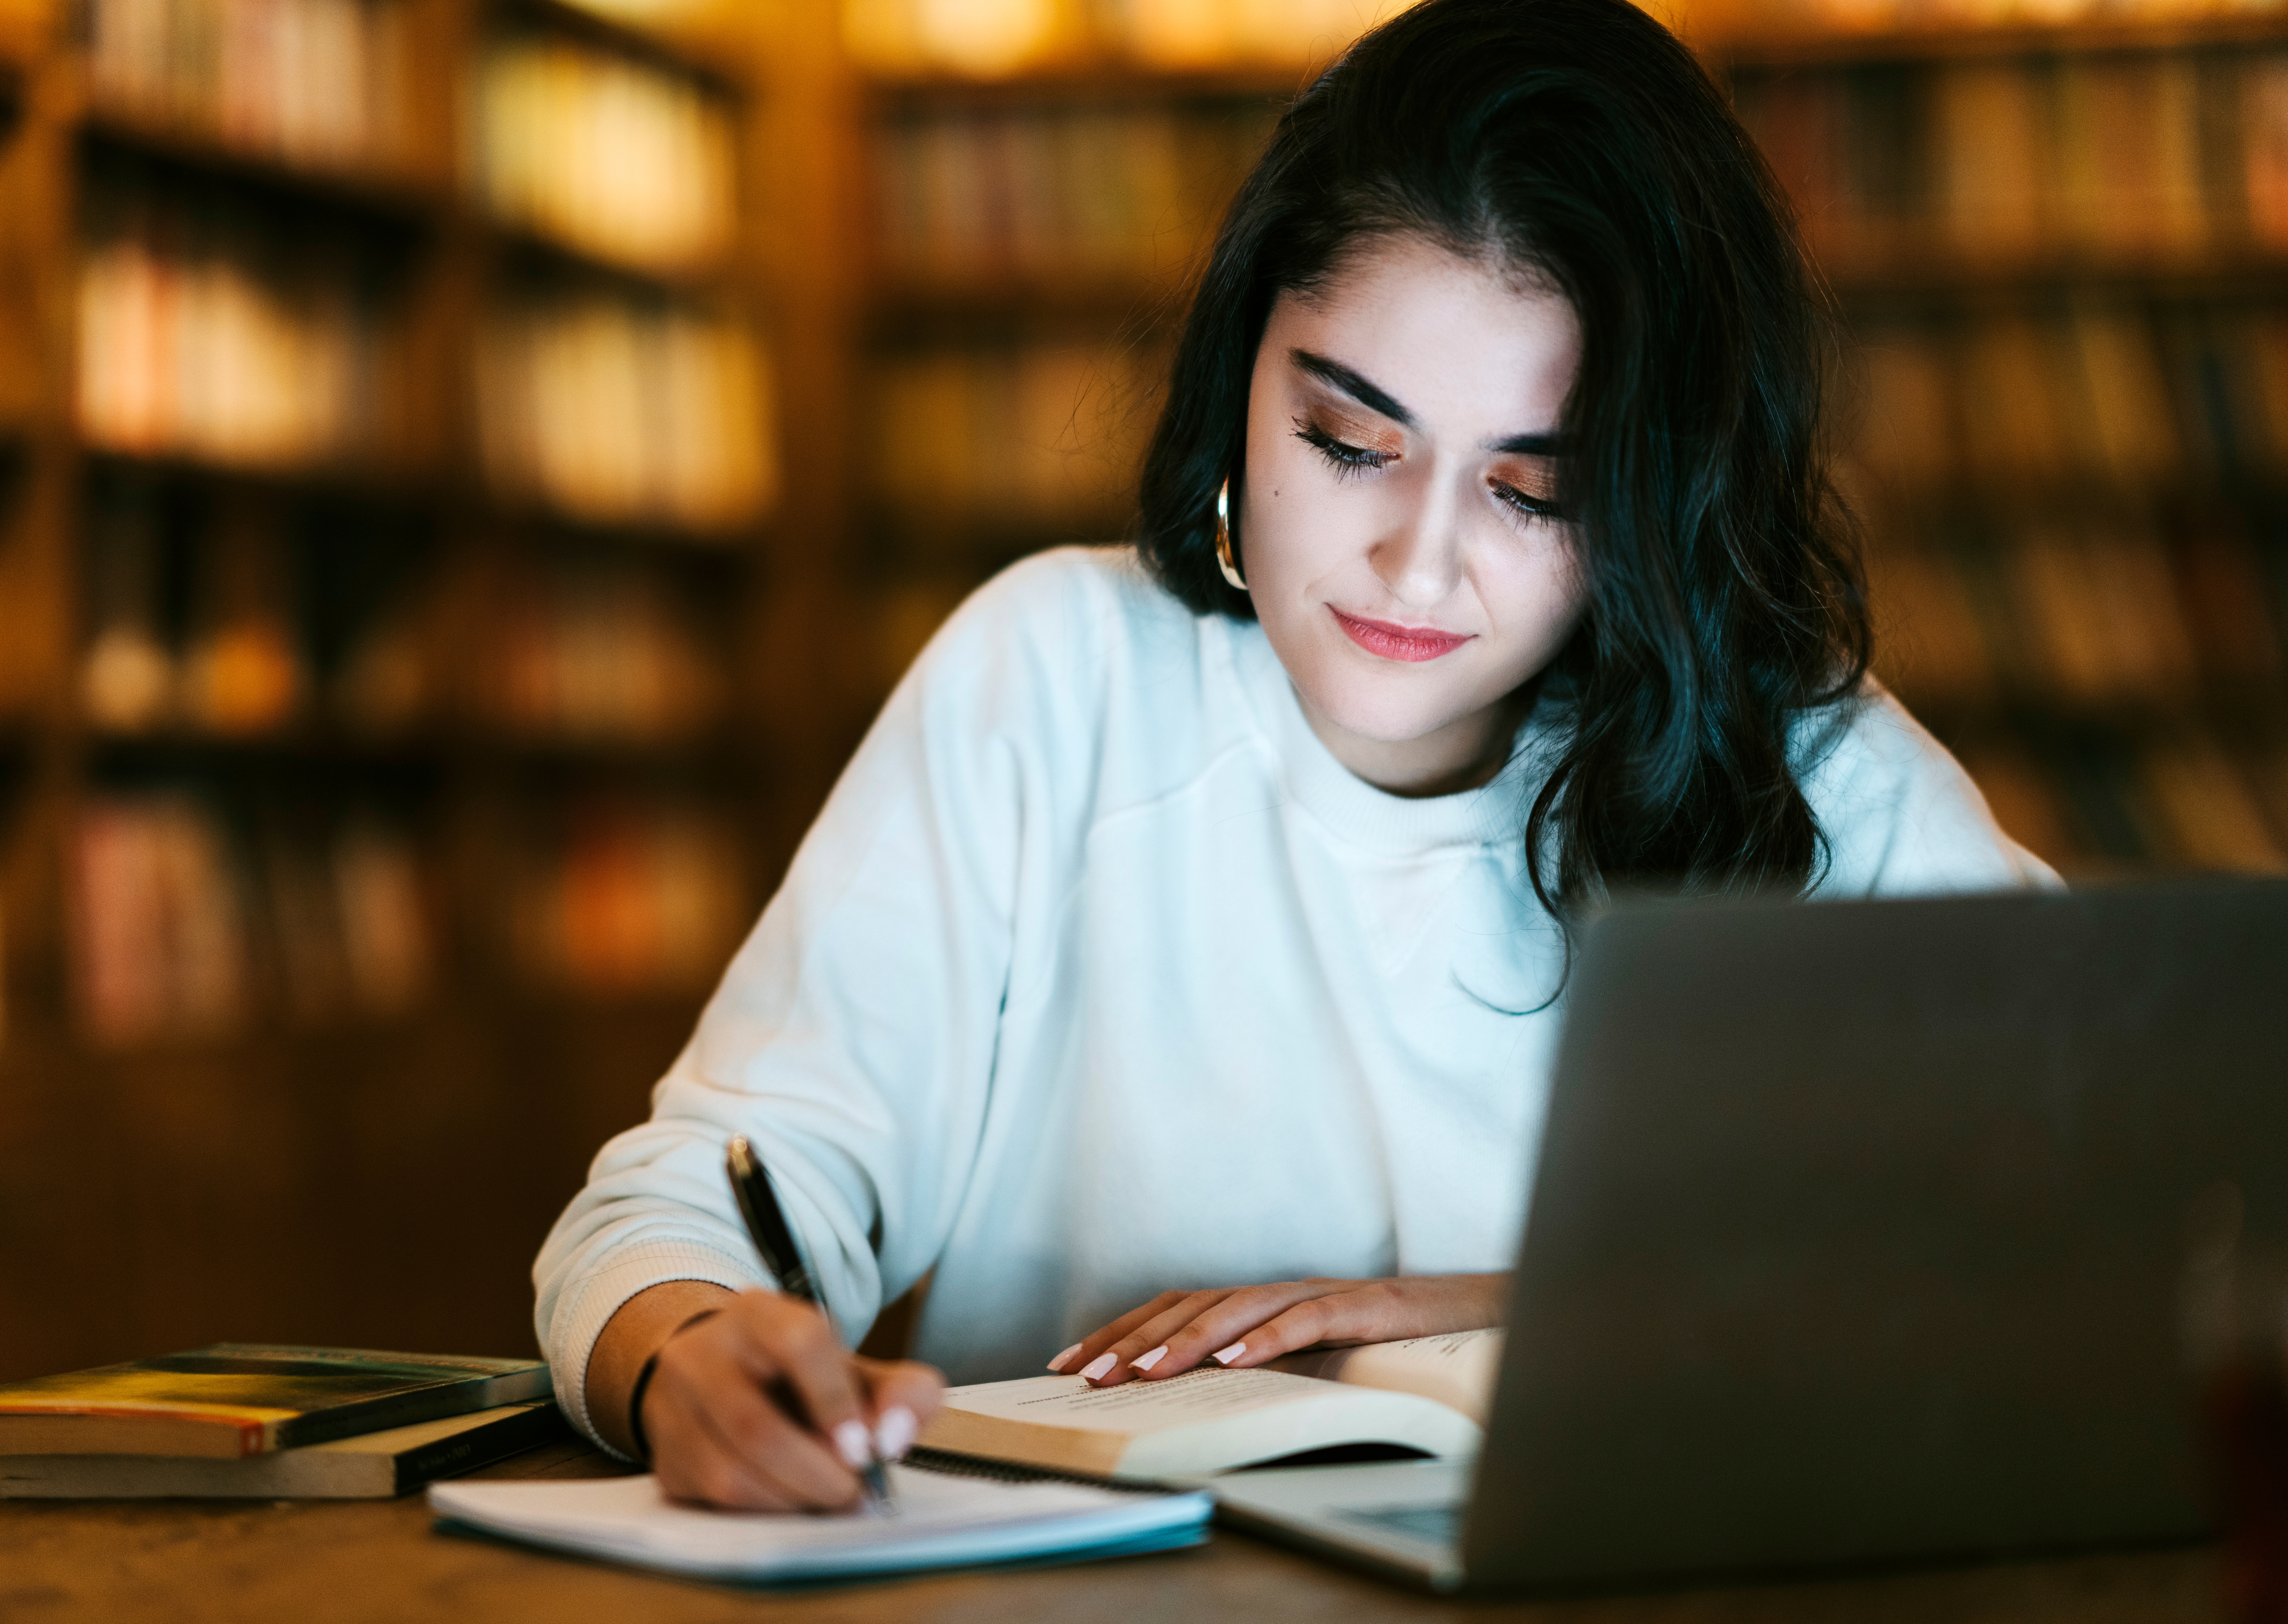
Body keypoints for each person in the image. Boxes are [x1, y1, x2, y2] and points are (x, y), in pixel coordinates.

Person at [535, 0, 2055, 1511]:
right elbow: (690, 1202)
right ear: (1242, 368)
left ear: (1655, 502)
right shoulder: (1058, 680)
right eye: (1347, 441)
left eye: (1532, 492)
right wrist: (689, 1356)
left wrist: (1486, 1308)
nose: (1413, 563)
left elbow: (2106, 1234)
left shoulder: (1809, 779)